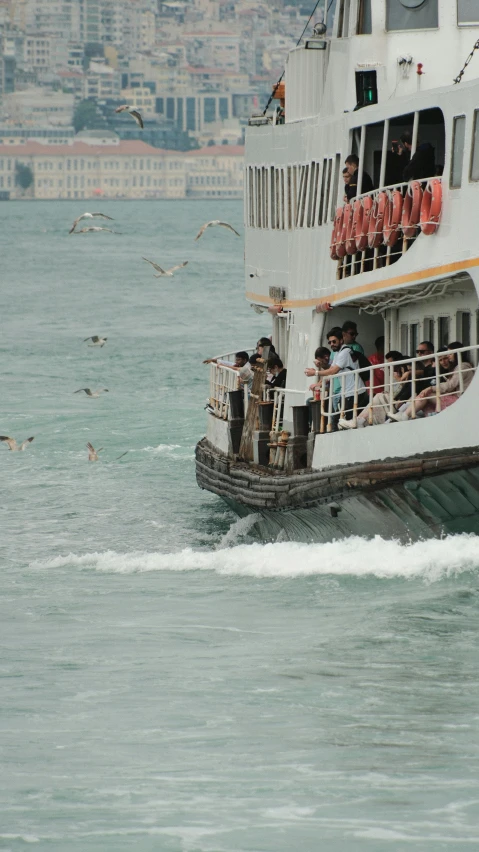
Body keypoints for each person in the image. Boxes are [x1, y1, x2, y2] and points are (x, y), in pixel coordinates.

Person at [389, 343, 474, 421]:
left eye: (450, 354)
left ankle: (404, 415)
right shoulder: (457, 367)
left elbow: (450, 385)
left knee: (427, 394)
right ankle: (423, 417)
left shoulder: (463, 367)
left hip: (461, 401)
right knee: (424, 395)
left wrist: (431, 388)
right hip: (457, 398)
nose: (448, 357)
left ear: (458, 354)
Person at [314, 330, 368, 424]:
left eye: (334, 341)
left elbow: (333, 371)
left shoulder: (345, 352)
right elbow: (330, 370)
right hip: (348, 393)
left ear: (341, 340)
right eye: (330, 342)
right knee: (341, 420)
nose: (332, 344)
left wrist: (315, 373)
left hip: (355, 392)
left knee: (347, 420)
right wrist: (319, 370)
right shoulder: (338, 353)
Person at [341, 350, 404, 428]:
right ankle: (358, 420)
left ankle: (358, 420)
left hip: (401, 403)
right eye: (388, 364)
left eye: (390, 364)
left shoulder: (403, 373)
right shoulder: (393, 374)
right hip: (394, 402)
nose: (388, 367)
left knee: (377, 396)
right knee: (373, 397)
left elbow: (404, 390)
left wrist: (399, 379)